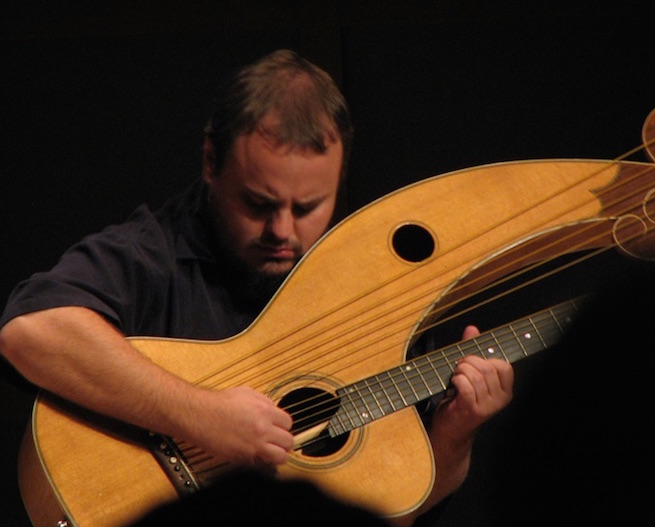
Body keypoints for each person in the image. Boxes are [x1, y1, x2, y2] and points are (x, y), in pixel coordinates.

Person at [0, 49, 513, 526]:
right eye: (259, 204)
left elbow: (394, 513)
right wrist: (203, 418)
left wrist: (452, 440)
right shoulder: (152, 251)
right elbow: (31, 332)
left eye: (308, 206)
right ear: (210, 162)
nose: (283, 232)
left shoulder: (369, 289)